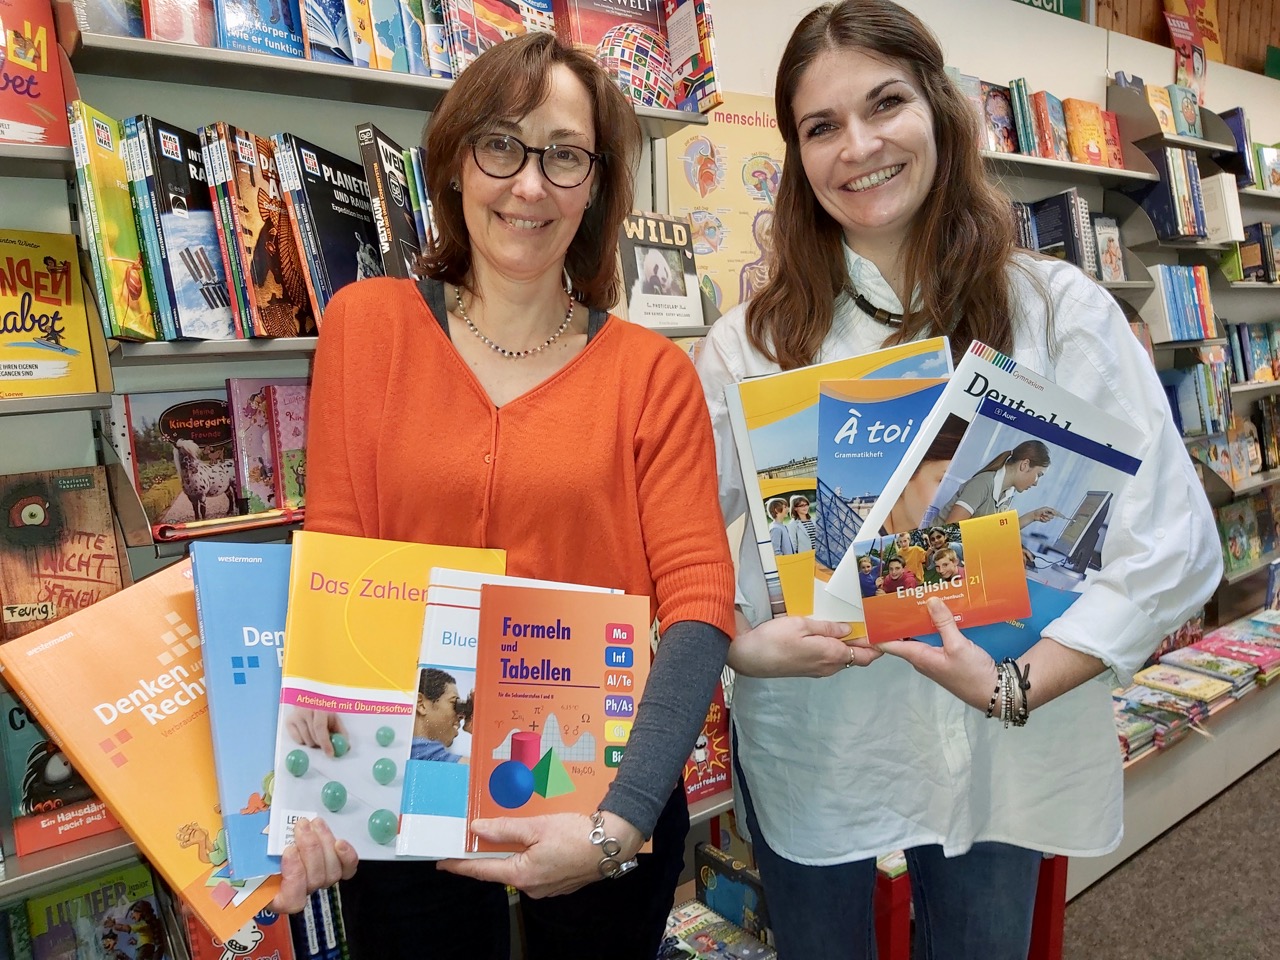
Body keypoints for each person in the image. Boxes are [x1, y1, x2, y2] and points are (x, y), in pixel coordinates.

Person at [694, 2, 1220, 957]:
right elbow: (678, 545)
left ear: (939, 108)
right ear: (796, 157)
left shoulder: (1059, 315)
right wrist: (742, 646)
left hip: (1001, 747)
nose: (859, 146)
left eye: (885, 103)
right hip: (822, 741)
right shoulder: (750, 347)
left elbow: (1176, 543)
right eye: (821, 126)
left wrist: (1015, 684)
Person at [275, 31, 736, 960]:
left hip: (597, 796)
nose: (530, 185)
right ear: (452, 165)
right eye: (502, 145)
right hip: (406, 796)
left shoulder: (653, 375)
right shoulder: (368, 328)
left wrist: (618, 825)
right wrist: (317, 796)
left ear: (597, 184)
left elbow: (699, 606)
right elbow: (338, 567)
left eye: (565, 155)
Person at [939, 439, 1062, 528]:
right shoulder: (983, 483)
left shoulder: (1007, 493)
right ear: (1024, 465)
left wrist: (1033, 516)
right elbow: (949, 531)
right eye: (1038, 475)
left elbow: (997, 531)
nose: (1036, 483)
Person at [409, 668, 464, 762]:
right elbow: (487, 770)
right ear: (421, 704)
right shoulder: (417, 752)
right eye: (454, 703)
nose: (462, 715)